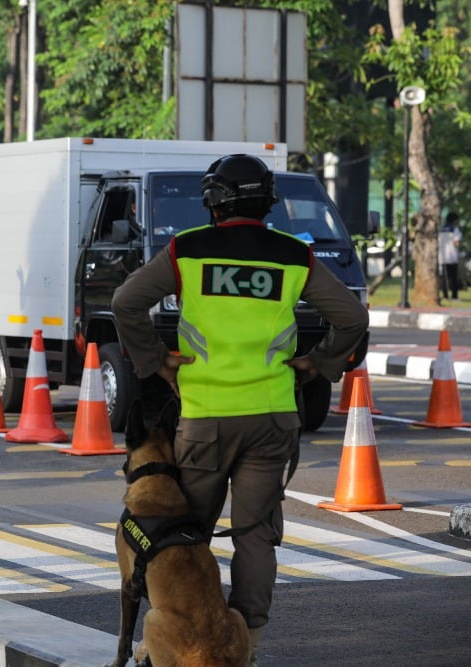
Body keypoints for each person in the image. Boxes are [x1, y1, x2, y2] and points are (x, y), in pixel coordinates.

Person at [110, 154, 368, 662]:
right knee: (255, 537)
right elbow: (352, 317)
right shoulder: (295, 255)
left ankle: (180, 645)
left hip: (205, 417)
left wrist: (153, 361)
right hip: (272, 417)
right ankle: (243, 647)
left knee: (187, 536)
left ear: (213, 201)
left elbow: (125, 302)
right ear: (267, 200)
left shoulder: (188, 250)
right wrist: (320, 363)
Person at [439, 212, 462, 300]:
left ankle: (445, 295)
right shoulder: (455, 230)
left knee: (444, 278)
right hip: (452, 257)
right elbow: (457, 243)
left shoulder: (441, 229)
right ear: (454, 220)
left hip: (442, 257)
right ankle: (454, 296)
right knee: (453, 278)